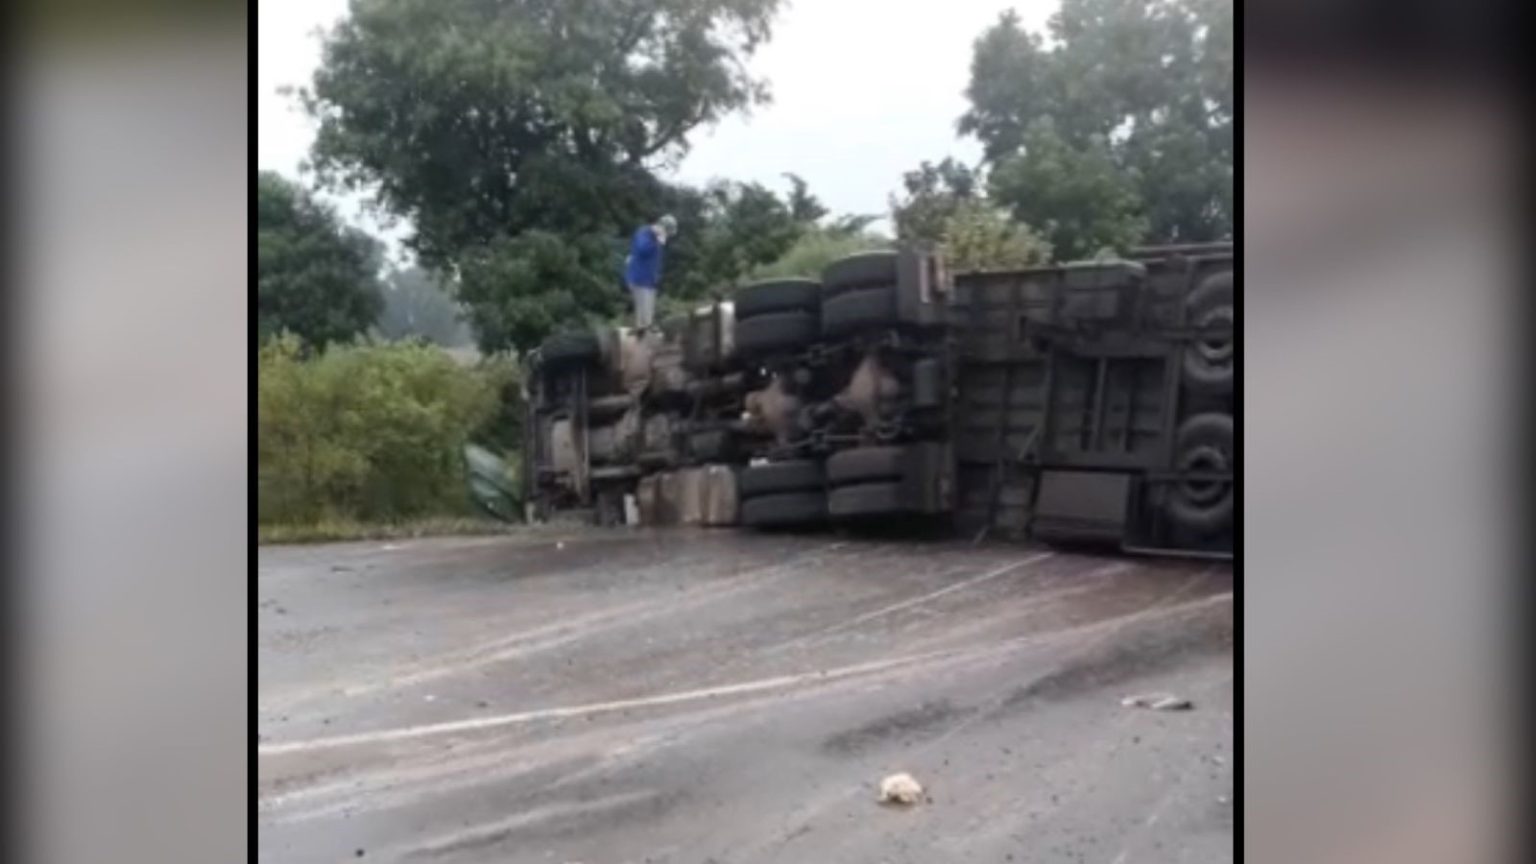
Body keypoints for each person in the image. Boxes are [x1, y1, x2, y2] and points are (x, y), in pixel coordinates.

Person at [623, 214, 676, 331]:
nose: (666, 236)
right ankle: (641, 335)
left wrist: (657, 276)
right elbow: (642, 250)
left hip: (650, 280)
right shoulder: (644, 233)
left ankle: (647, 334)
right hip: (639, 278)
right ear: (661, 227)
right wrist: (657, 243)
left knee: (649, 316)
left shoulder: (656, 240)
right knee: (643, 319)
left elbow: (656, 261)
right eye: (666, 233)